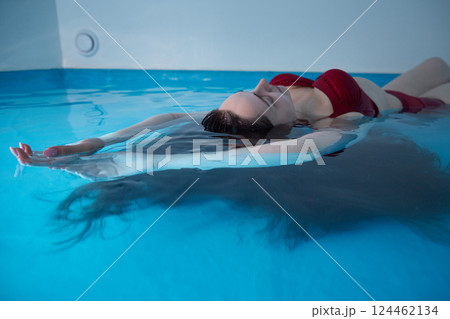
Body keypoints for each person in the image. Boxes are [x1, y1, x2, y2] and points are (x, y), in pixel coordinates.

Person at [9, 57, 450, 179]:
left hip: (391, 85)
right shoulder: (331, 128)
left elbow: (152, 123)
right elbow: (286, 151)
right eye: (264, 98)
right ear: (274, 127)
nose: (263, 83)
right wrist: (96, 164)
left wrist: (86, 144)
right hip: (412, 106)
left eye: (255, 89)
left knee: (436, 60)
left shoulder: (271, 101)